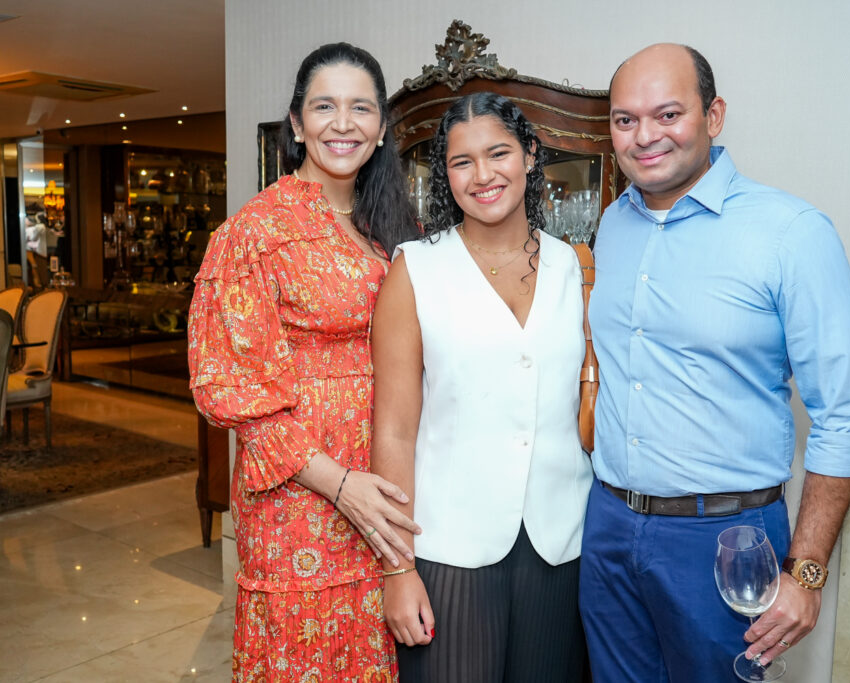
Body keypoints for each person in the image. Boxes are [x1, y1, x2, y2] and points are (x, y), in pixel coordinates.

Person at [579, 43, 850, 683]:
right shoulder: (612, 225)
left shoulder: (792, 232)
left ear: (713, 116)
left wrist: (806, 572)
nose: (645, 136)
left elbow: (846, 416)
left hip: (725, 539)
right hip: (608, 526)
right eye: (626, 120)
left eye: (668, 114)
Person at [188, 42, 420, 681]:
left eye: (361, 108)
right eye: (324, 107)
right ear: (296, 123)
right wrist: (341, 486)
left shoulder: (385, 226)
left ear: (381, 127)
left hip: (382, 493)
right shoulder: (256, 233)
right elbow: (230, 389)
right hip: (301, 505)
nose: (343, 123)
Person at [370, 92, 591, 683]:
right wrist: (397, 569)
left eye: (498, 153)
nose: (483, 175)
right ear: (445, 174)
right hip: (449, 547)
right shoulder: (416, 269)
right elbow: (394, 430)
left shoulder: (577, 267)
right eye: (462, 161)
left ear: (530, 155)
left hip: (561, 544)